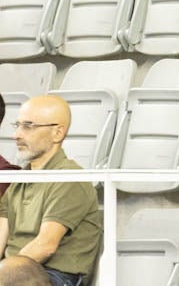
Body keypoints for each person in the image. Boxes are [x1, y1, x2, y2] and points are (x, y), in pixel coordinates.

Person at [0, 96, 103, 286]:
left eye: (28, 126)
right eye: (18, 125)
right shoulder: (19, 180)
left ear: (57, 133)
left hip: (53, 276)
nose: (17, 135)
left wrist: (4, 273)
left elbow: (45, 246)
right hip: (10, 274)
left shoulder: (69, 178)